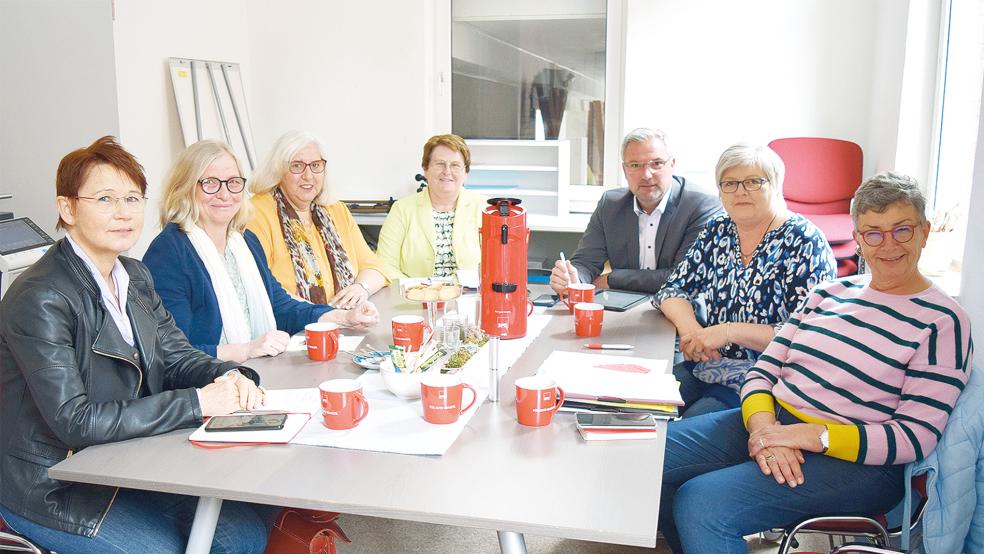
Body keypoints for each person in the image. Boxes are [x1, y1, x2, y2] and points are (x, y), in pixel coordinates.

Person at [657, 172, 973, 554]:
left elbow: (914, 436)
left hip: (858, 461)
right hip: (773, 422)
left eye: (901, 230)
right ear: (858, 239)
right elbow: (762, 372)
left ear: (924, 232)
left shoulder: (942, 321)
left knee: (702, 503)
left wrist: (811, 436)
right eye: (873, 233)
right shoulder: (828, 293)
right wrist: (765, 429)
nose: (887, 245)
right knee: (648, 458)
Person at [0, 136, 274, 553]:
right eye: (106, 199)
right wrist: (199, 403)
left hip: (127, 461)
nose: (124, 213)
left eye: (133, 198)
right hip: (56, 484)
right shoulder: (40, 297)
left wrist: (232, 376)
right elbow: (74, 421)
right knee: (164, 549)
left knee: (242, 533)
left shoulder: (135, 276)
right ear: (67, 208)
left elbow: (177, 356)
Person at [143, 140, 379, 363]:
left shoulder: (244, 242)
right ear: (185, 188)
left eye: (233, 182)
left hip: (257, 369)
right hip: (210, 385)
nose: (225, 194)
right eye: (210, 183)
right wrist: (247, 350)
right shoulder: (168, 252)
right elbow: (173, 352)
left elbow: (281, 307)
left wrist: (344, 317)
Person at [654, 143, 836, 417]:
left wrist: (726, 332)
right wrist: (693, 333)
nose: (740, 191)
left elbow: (806, 335)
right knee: (639, 405)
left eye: (753, 182)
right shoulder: (719, 229)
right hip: (708, 363)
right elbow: (674, 289)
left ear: (775, 185)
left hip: (767, 380)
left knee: (680, 430)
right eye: (730, 183)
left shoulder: (805, 241)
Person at [549, 128, 721, 295]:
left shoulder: (701, 206)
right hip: (623, 308)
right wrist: (573, 279)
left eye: (657, 163)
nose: (646, 174)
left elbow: (685, 276)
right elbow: (586, 262)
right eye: (635, 165)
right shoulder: (610, 205)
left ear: (672, 164)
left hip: (680, 310)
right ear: (625, 170)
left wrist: (613, 279)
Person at [246, 130, 388, 308]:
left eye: (315, 165)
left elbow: (375, 267)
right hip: (292, 325)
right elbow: (262, 287)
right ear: (278, 170)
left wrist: (361, 288)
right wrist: (322, 313)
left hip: (344, 320)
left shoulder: (336, 210)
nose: (308, 176)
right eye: (297, 166)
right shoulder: (257, 212)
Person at [375, 134, 484, 280]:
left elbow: (498, 264)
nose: (447, 171)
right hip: (414, 298)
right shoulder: (402, 209)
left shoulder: (485, 209)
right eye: (440, 164)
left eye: (455, 165)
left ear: (466, 173)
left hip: (469, 298)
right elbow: (385, 264)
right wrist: (417, 291)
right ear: (425, 169)